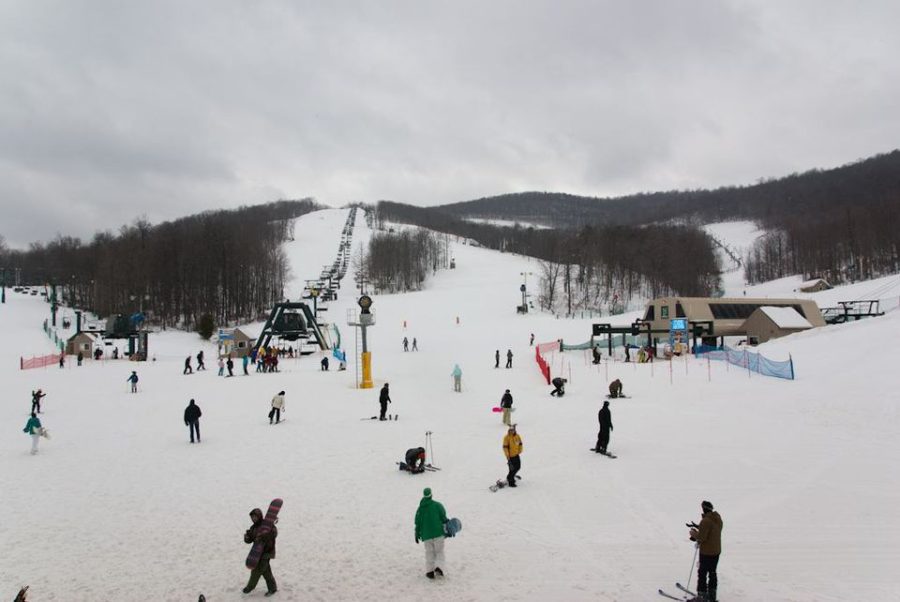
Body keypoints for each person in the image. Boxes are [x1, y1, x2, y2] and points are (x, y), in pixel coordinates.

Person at [688, 501, 723, 602]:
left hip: (706, 552)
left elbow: (701, 537)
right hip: (716, 551)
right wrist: (700, 527)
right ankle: (712, 596)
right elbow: (712, 530)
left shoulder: (706, 521)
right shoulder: (718, 519)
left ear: (704, 509)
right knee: (712, 572)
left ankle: (701, 596)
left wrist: (693, 533)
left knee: (702, 573)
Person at [414, 487, 449, 579]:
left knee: (429, 553)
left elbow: (417, 522)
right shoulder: (437, 505)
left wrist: (417, 534)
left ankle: (429, 571)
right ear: (431, 495)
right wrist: (448, 526)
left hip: (426, 535)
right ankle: (439, 568)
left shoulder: (420, 509)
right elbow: (443, 517)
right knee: (439, 551)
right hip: (438, 533)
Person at [243, 507, 277, 596]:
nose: (253, 519)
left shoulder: (267, 525)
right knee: (266, 572)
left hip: (267, 552)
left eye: (255, 517)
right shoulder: (253, 527)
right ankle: (273, 588)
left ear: (259, 516)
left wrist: (267, 535)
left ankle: (250, 587)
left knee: (256, 570)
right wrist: (247, 537)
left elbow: (274, 532)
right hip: (257, 553)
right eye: (252, 517)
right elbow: (249, 540)